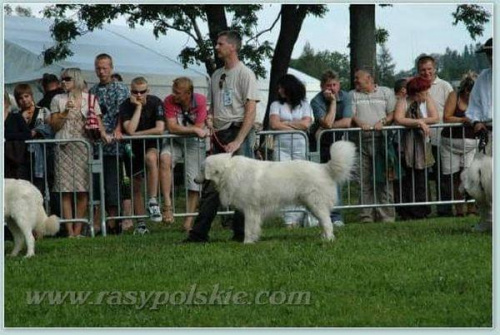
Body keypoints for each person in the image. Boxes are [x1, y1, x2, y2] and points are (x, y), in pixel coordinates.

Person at [184, 30, 259, 243]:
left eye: (220, 44)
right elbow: (212, 106)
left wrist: (239, 140)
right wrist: (209, 118)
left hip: (238, 133)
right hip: (220, 133)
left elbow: (250, 111)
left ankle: (241, 233)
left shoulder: (246, 74)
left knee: (243, 186)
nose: (216, 47)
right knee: (211, 185)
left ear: (232, 47)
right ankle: (198, 234)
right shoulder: (217, 75)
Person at [49, 68, 109, 238]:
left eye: (67, 79)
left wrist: (105, 134)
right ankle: (69, 231)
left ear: (76, 79)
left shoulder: (90, 99)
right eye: (62, 79)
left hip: (84, 147)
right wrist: (65, 112)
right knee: (65, 190)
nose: (63, 82)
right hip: (64, 146)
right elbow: (54, 126)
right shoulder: (57, 99)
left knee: (83, 189)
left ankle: (78, 229)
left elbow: (98, 122)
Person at [89, 53, 130, 234]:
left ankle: (114, 223)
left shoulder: (120, 88)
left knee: (113, 184)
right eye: (98, 68)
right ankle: (101, 222)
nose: (101, 71)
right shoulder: (92, 91)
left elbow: (123, 111)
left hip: (115, 145)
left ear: (111, 68)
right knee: (99, 185)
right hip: (97, 144)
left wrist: (118, 130)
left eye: (105, 68)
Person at [161, 77, 208, 231]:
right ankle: (167, 205)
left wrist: (196, 129)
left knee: (194, 181)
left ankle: (188, 222)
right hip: (175, 140)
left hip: (194, 143)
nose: (174, 95)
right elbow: (172, 127)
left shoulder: (200, 100)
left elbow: (200, 126)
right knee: (164, 159)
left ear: (188, 93)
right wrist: (193, 130)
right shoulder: (168, 101)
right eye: (173, 91)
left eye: (178, 93)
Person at [120, 77, 165, 235]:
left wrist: (137, 134)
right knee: (135, 185)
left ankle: (153, 200)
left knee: (151, 158)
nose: (139, 95)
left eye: (142, 92)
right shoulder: (125, 105)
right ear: (130, 91)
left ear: (148, 90)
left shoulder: (156, 102)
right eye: (135, 92)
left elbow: (159, 129)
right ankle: (140, 224)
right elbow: (129, 129)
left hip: (150, 143)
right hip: (132, 148)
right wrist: (138, 108)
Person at [351, 68, 396, 223]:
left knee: (384, 180)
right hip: (361, 141)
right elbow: (352, 114)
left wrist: (382, 122)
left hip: (381, 141)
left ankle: (386, 216)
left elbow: (392, 113)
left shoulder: (386, 92)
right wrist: (360, 123)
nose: (355, 80)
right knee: (364, 180)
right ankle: (366, 217)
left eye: (358, 78)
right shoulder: (353, 95)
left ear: (369, 78)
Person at [269, 74, 312, 228]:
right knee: (285, 182)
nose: (279, 90)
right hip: (282, 147)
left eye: (282, 87)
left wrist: (285, 123)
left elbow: (306, 124)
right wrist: (296, 125)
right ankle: (289, 220)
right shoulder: (276, 105)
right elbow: (274, 124)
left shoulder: (304, 105)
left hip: (300, 147)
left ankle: (300, 217)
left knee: (300, 181)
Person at [310, 70, 352, 226]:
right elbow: (326, 123)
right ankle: (317, 215)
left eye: (335, 85)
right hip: (318, 144)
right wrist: (333, 103)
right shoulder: (316, 101)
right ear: (322, 87)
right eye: (329, 85)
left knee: (336, 178)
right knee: (317, 180)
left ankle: (336, 216)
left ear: (339, 84)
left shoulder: (347, 96)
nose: (332, 89)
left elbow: (347, 122)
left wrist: (327, 127)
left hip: (337, 144)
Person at [394, 76, 439, 219]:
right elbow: (399, 118)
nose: (426, 95)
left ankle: (422, 211)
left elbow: (435, 117)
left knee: (421, 180)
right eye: (424, 92)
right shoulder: (403, 102)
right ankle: (406, 212)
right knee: (406, 180)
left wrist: (418, 122)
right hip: (406, 147)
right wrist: (419, 124)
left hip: (422, 146)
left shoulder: (427, 100)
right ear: (417, 93)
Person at [417, 54, 454, 216]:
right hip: (420, 140)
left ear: (435, 68)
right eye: (423, 70)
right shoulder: (415, 86)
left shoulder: (445, 86)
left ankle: (444, 209)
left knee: (442, 176)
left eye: (429, 69)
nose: (426, 73)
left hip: (441, 139)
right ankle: (423, 209)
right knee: (422, 177)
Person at [440, 72, 478, 216]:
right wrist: (463, 120)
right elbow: (447, 118)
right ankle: (459, 210)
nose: (470, 95)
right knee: (454, 177)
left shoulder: (479, 98)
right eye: (468, 91)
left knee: (470, 176)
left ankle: (472, 208)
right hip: (450, 143)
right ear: (464, 89)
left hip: (470, 145)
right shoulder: (454, 96)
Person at [465, 37, 492, 232]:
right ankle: (487, 220)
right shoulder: (483, 77)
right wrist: (475, 121)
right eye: (489, 54)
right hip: (488, 135)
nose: (491, 57)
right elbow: (473, 106)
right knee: (477, 179)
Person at [11, 83, 52, 193]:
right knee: (23, 187)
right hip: (22, 154)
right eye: (20, 98)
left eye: (26, 96)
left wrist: (37, 131)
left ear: (31, 96)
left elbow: (50, 128)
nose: (24, 100)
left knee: (39, 187)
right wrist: (21, 119)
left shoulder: (43, 111)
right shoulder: (16, 115)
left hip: (40, 154)